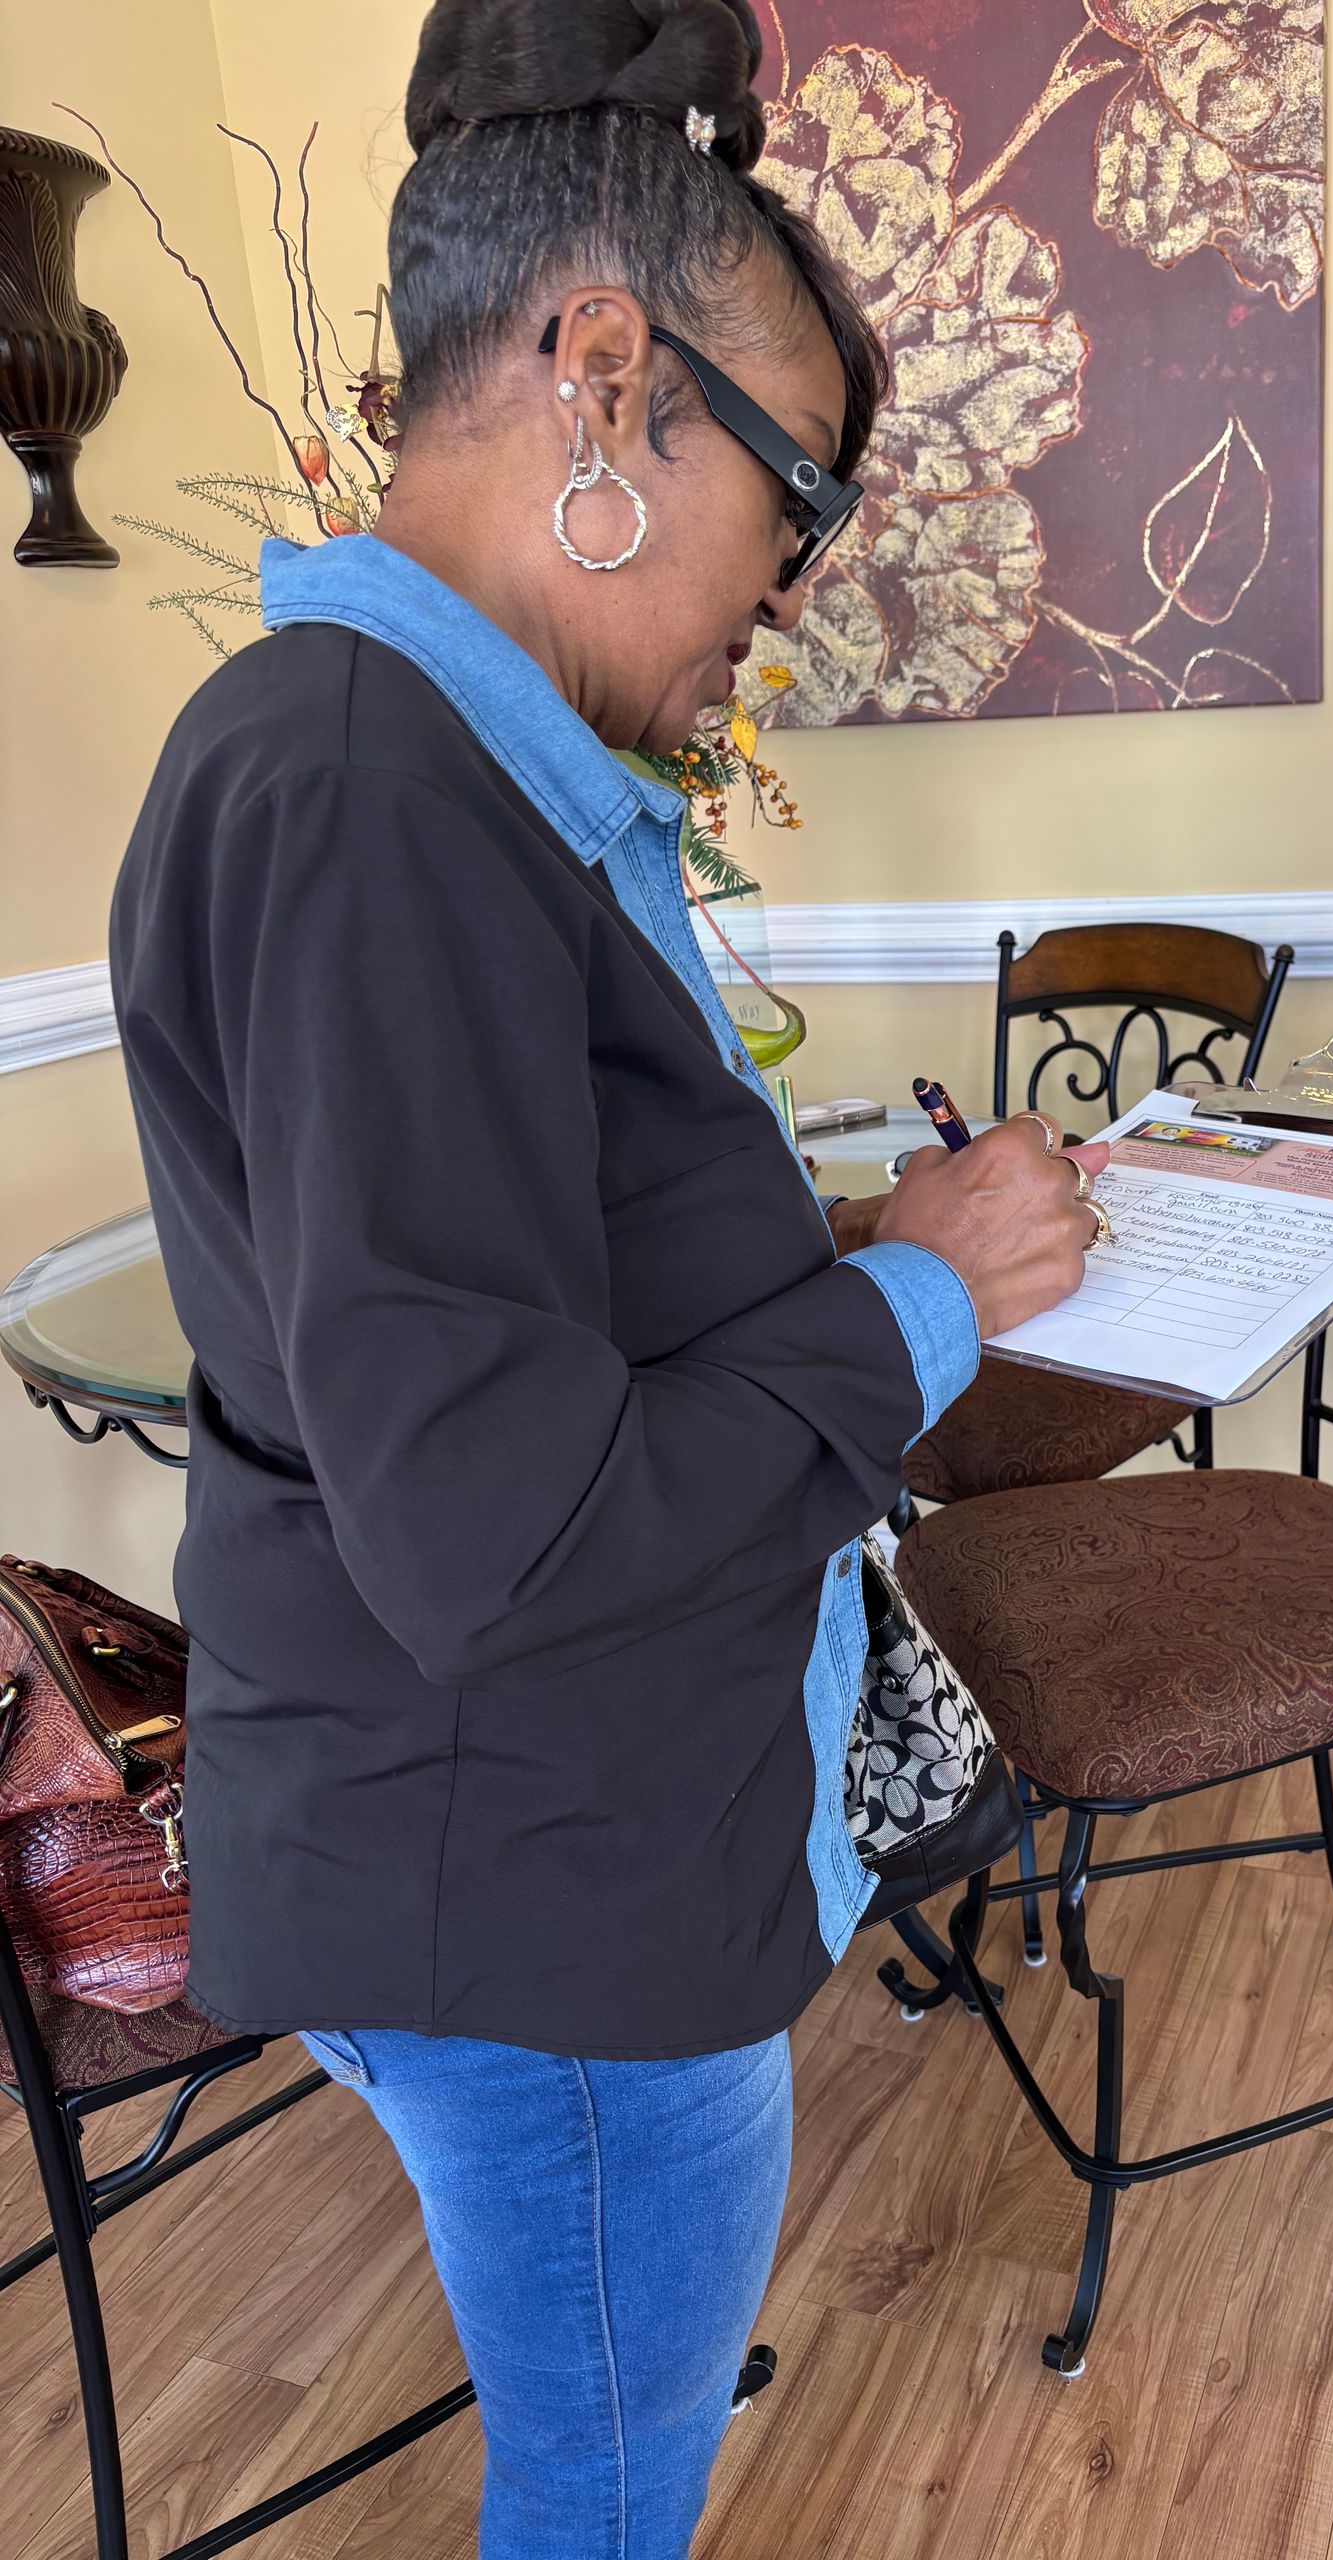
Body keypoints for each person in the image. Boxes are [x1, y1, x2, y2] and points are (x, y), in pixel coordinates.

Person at [108, 5, 1108, 2552]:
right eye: (790, 513)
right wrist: (918, 1305)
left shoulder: (415, 770)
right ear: (599, 373)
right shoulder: (373, 796)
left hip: (515, 1844)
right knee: (606, 2484)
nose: (776, 602)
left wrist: (866, 1242)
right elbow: (506, 1526)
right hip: (531, 1894)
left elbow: (514, 1325)